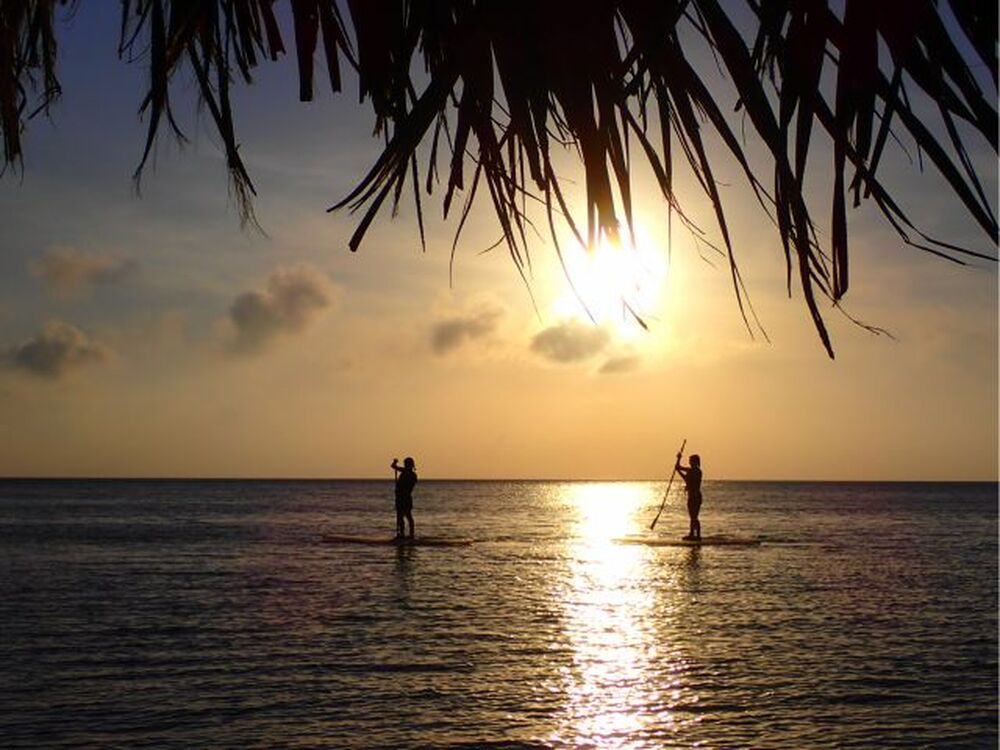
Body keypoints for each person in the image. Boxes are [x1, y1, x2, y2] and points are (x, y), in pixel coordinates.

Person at [675, 453, 702, 541]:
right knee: (692, 516)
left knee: (694, 516)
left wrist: (679, 460)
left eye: (691, 461)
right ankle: (692, 534)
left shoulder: (696, 471)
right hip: (692, 496)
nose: (689, 462)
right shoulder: (691, 471)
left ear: (695, 462)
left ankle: (697, 535)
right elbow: (682, 472)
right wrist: (678, 460)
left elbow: (682, 471)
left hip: (695, 496)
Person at [391, 457, 418, 539]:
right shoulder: (410, 474)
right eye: (405, 464)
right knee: (401, 516)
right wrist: (395, 463)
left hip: (404, 497)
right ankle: (404, 534)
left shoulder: (410, 474)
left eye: (407, 464)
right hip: (402, 497)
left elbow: (394, 467)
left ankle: (409, 534)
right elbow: (394, 466)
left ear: (410, 465)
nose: (405, 465)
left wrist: (395, 463)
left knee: (406, 515)